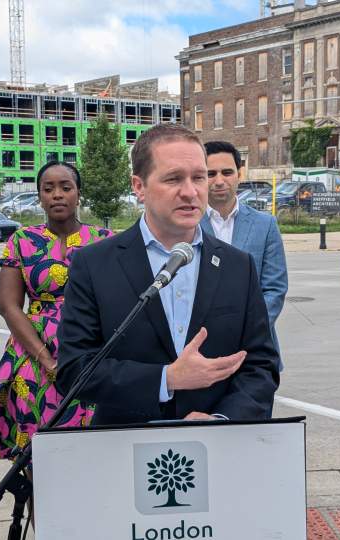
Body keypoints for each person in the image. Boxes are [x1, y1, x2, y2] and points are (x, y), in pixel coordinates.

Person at [56, 124, 279, 425]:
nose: (190, 192)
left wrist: (222, 419)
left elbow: (261, 367)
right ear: (139, 187)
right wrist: (166, 379)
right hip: (126, 442)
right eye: (173, 178)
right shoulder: (94, 265)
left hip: (217, 443)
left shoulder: (238, 267)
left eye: (198, 177)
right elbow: (74, 369)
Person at [0, 161, 113, 459]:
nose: (57, 195)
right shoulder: (22, 241)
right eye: (48, 189)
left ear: (79, 194)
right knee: (38, 449)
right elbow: (8, 306)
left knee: (92, 443)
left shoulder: (104, 240)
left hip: (90, 355)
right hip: (35, 357)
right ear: (39, 197)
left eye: (66, 187)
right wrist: (46, 360)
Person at [200, 141, 287, 369]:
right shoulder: (186, 225)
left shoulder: (265, 225)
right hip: (199, 353)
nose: (219, 181)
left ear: (239, 174)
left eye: (227, 172)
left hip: (255, 351)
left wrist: (247, 330)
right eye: (211, 174)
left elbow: (275, 289)